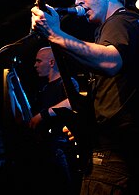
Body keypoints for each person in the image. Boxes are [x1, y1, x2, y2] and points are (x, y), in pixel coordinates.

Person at [31, 0, 139, 195]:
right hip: (119, 157)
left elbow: (110, 62)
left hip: (116, 160)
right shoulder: (114, 27)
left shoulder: (122, 21)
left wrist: (55, 34)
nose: (77, 1)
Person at [28, 46, 82, 195]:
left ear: (51, 63)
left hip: (62, 149)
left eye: (39, 61)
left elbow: (73, 102)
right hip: (47, 149)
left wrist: (43, 115)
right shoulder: (44, 89)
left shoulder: (67, 83)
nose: (35, 65)